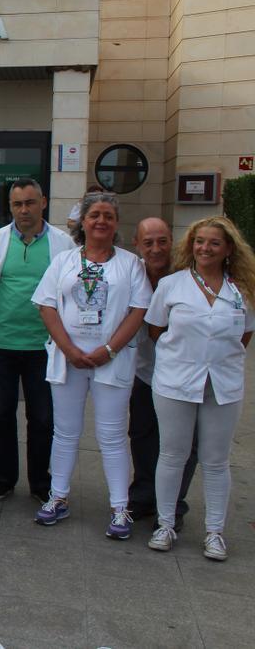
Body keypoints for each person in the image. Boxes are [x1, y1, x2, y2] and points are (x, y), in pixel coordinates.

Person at [31, 192, 151, 539]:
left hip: (111, 362)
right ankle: (58, 497)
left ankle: (119, 507)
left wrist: (110, 349)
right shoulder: (64, 261)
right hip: (68, 360)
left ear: (116, 223)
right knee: (65, 432)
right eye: (95, 215)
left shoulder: (131, 265)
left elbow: (138, 310)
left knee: (112, 436)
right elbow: (47, 306)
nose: (101, 221)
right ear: (83, 221)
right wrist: (68, 348)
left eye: (109, 216)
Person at [145, 216, 254, 560]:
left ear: (228, 250)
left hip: (222, 384)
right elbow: (155, 330)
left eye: (214, 243)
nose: (205, 248)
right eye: (199, 241)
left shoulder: (242, 290)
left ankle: (215, 532)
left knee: (216, 461)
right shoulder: (173, 285)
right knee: (172, 455)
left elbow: (244, 336)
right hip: (176, 382)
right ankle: (165, 525)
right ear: (191, 245)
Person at [0, 179, 75, 502]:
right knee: (0, 414)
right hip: (2, 342)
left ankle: (39, 481)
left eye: (30, 203)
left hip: (44, 345)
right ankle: (4, 477)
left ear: (43, 202)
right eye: (17, 204)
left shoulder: (64, 243)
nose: (24, 210)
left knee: (43, 417)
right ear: (10, 207)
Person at [128, 217, 195, 528]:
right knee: (143, 435)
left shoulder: (188, 277)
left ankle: (173, 504)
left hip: (185, 378)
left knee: (182, 443)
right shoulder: (133, 274)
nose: (156, 249)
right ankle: (143, 496)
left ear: (173, 241)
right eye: (148, 243)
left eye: (162, 241)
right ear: (137, 246)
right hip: (147, 373)